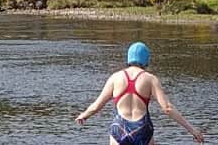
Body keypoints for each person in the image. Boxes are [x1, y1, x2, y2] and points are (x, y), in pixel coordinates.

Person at [75, 41, 205, 145]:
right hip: (142, 129)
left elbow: (96, 106)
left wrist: (84, 115)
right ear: (146, 60)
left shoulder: (115, 77)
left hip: (119, 128)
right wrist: (192, 130)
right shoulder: (150, 79)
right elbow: (167, 108)